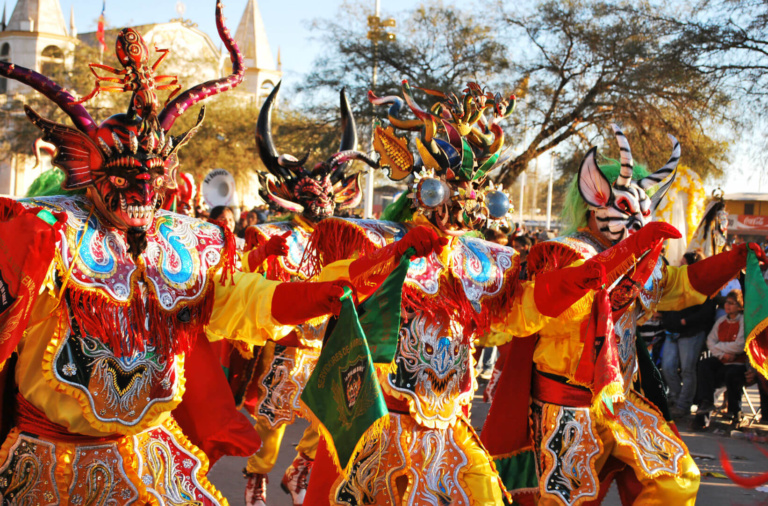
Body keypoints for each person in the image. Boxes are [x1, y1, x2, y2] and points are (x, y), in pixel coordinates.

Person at [0, 9, 446, 504]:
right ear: (86, 166)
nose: (143, 189)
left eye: (155, 174)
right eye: (128, 176)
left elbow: (248, 300)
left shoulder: (183, 243)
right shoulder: (46, 235)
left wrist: (325, 294)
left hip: (148, 460)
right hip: (49, 467)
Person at [302, 82, 654, 505]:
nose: (459, 206)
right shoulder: (373, 240)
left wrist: (586, 277)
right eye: (446, 191)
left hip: (449, 427)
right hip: (381, 422)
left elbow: (521, 312)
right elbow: (336, 285)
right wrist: (397, 253)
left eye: (472, 192)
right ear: (423, 190)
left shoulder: (484, 262)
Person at [480, 124, 768, 505]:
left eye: (645, 211)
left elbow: (678, 287)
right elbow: (541, 308)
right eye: (626, 209)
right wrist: (623, 259)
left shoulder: (644, 258)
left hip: (621, 401)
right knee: (568, 499)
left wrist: (733, 261)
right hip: (566, 404)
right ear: (594, 199)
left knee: (675, 477)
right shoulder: (562, 253)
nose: (638, 220)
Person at [240, 83, 379, 506]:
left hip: (332, 347)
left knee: (330, 422)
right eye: (307, 194)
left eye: (326, 192)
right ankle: (257, 477)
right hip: (286, 348)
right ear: (284, 196)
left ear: (342, 194)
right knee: (271, 424)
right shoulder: (267, 235)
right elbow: (246, 287)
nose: (319, 200)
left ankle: (301, 470)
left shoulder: (349, 239)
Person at [660, 251, 716, 419]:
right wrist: (667, 318)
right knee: (668, 367)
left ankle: (683, 405)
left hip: (692, 333)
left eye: (683, 263)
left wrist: (686, 321)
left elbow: (707, 311)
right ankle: (676, 398)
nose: (679, 265)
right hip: (672, 331)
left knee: (687, 370)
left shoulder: (703, 284)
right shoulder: (677, 280)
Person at [694, 290, 748, 430]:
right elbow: (711, 342)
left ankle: (735, 412)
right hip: (722, 361)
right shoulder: (721, 321)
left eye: (732, 303)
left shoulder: (743, 321)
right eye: (726, 303)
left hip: (738, 364)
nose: (728, 306)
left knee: (732, 375)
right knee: (705, 366)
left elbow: (740, 345)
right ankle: (705, 408)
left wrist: (722, 348)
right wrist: (722, 354)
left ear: (740, 305)